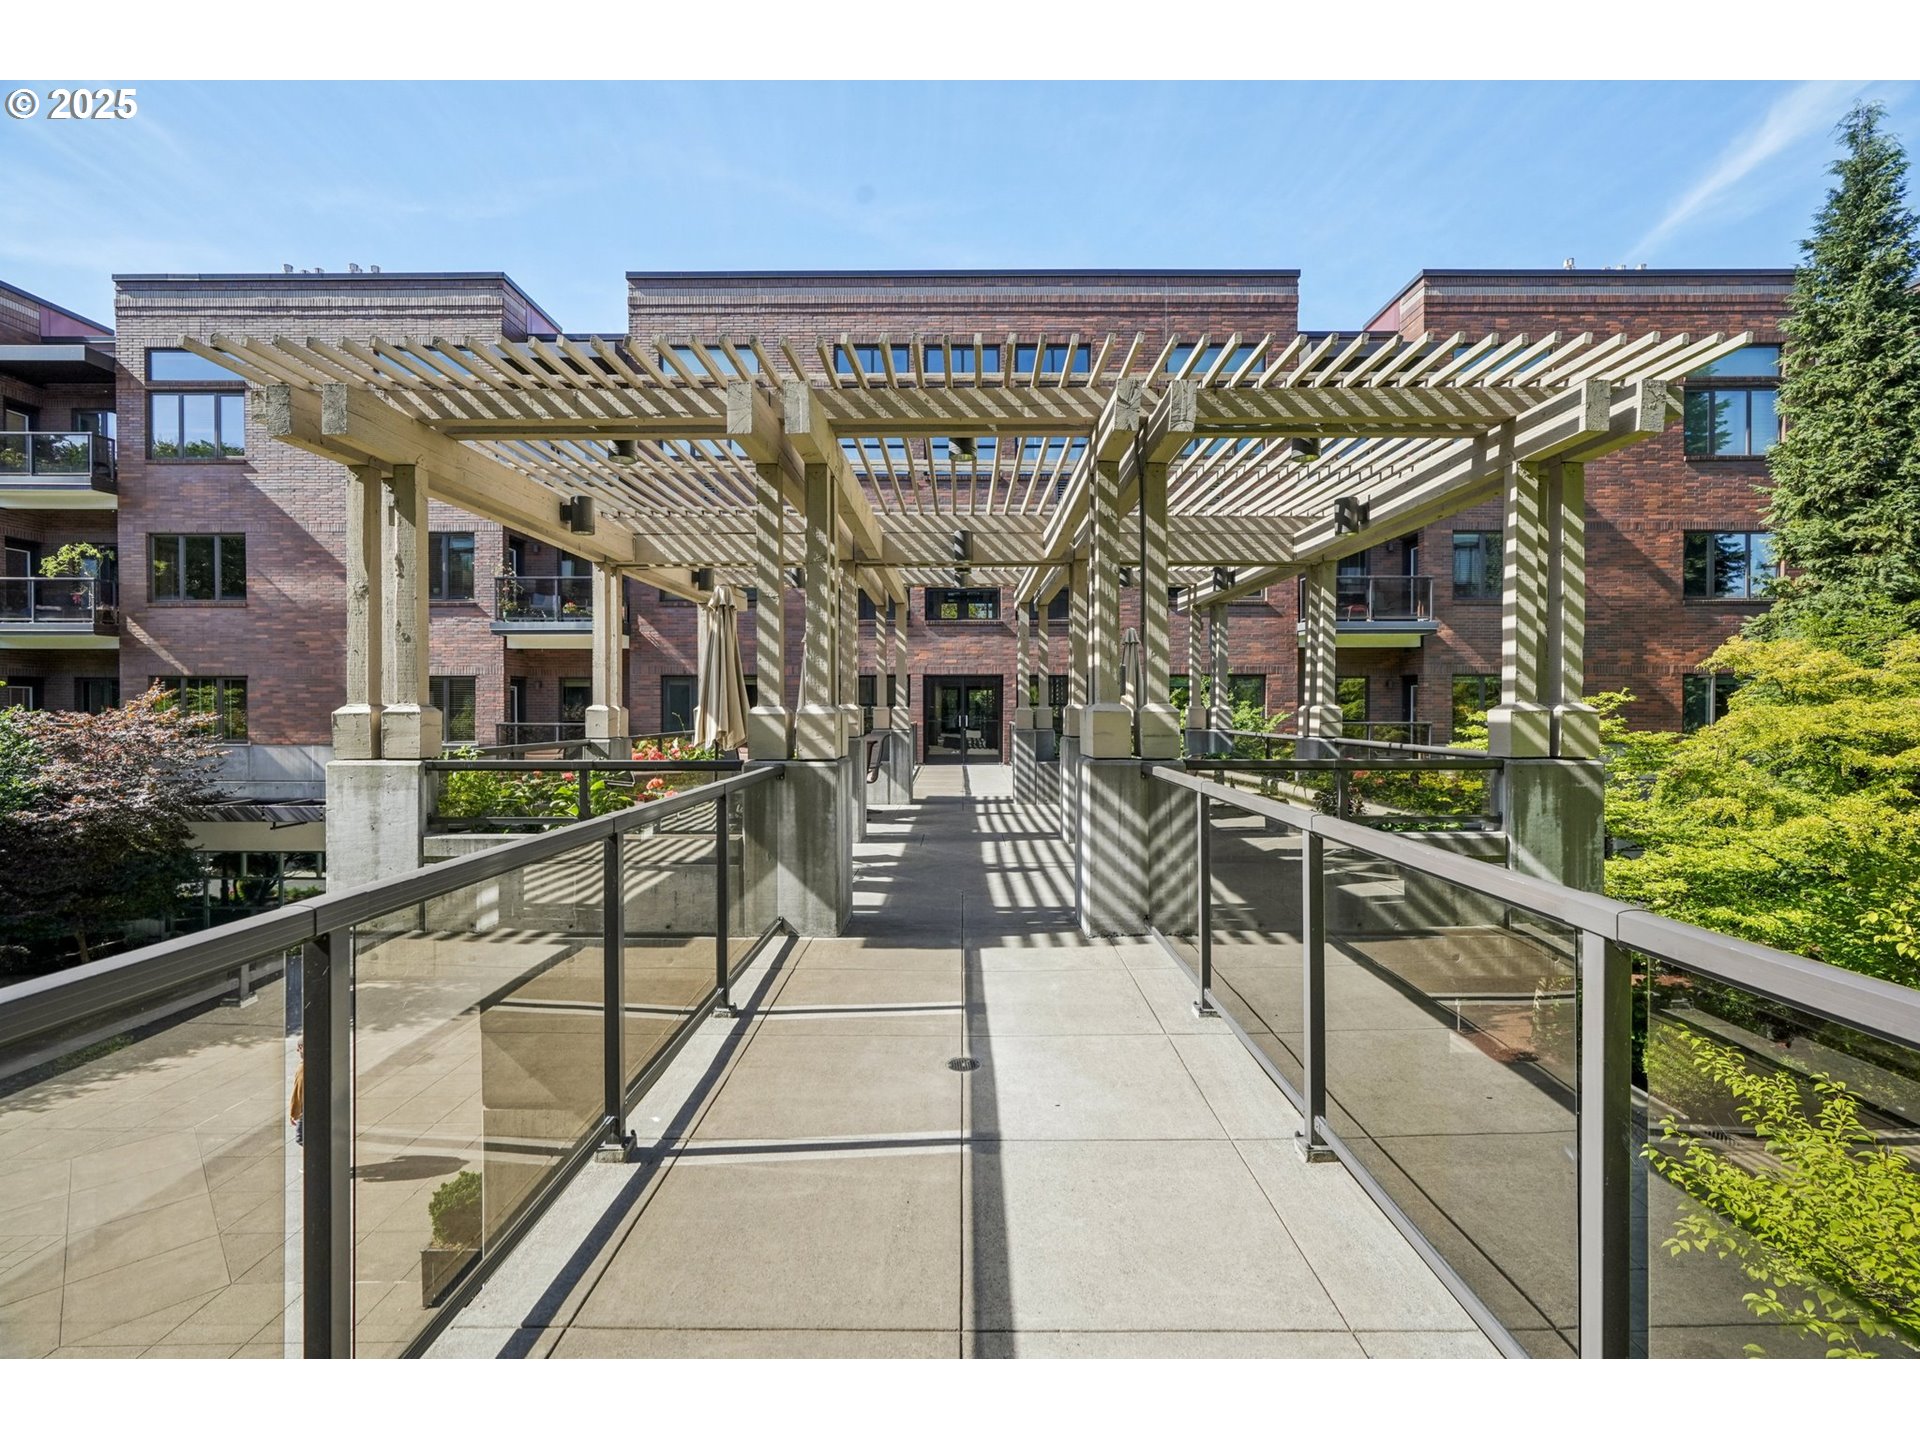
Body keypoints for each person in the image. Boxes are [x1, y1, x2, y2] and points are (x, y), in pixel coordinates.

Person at [290, 1037, 305, 1147]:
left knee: (301, 1139)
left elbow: (298, 1091)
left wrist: (295, 1112)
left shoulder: (302, 1068)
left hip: (305, 1110)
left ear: (301, 1048)